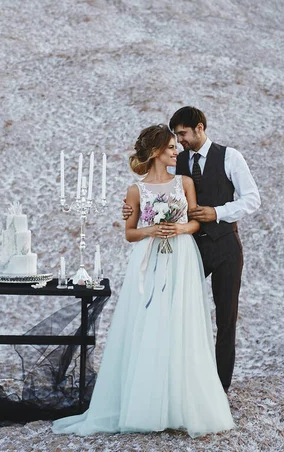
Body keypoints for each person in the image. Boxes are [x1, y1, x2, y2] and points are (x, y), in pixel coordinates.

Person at [52, 124, 234, 438]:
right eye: (171, 148)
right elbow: (130, 233)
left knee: (182, 322)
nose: (177, 152)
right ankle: (147, 405)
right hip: (149, 259)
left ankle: (182, 404)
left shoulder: (185, 182)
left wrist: (179, 229)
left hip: (182, 258)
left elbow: (192, 221)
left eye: (177, 147)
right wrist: (152, 230)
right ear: (154, 153)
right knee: (151, 321)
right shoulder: (136, 191)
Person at [123, 107, 260, 392]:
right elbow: (159, 188)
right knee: (175, 313)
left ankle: (220, 388)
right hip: (187, 250)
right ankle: (175, 382)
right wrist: (133, 209)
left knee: (226, 318)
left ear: (199, 128)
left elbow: (252, 199)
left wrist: (218, 212)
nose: (180, 141)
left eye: (183, 134)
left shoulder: (230, 157)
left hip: (224, 246)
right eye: (176, 137)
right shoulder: (176, 160)